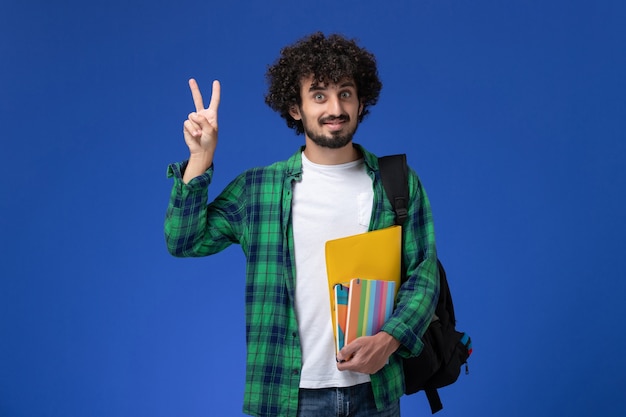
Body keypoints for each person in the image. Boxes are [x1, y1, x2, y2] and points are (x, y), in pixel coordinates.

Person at [165, 32, 439, 417]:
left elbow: (423, 276)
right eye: (320, 95)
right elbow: (183, 240)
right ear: (296, 108)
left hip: (374, 395)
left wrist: (390, 340)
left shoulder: (397, 182)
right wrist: (200, 158)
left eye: (346, 93)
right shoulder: (257, 189)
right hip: (286, 397)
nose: (336, 107)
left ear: (362, 103)